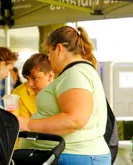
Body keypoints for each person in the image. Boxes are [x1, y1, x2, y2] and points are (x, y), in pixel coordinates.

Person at [18, 26, 111, 165]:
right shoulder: (77, 71)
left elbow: (75, 119)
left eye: (49, 52)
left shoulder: (75, 73)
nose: (49, 59)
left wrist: (28, 125)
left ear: (59, 49)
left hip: (74, 156)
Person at [13, 53, 54, 118]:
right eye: (27, 78)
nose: (30, 84)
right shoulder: (17, 95)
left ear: (50, 76)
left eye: (34, 78)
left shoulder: (64, 91)